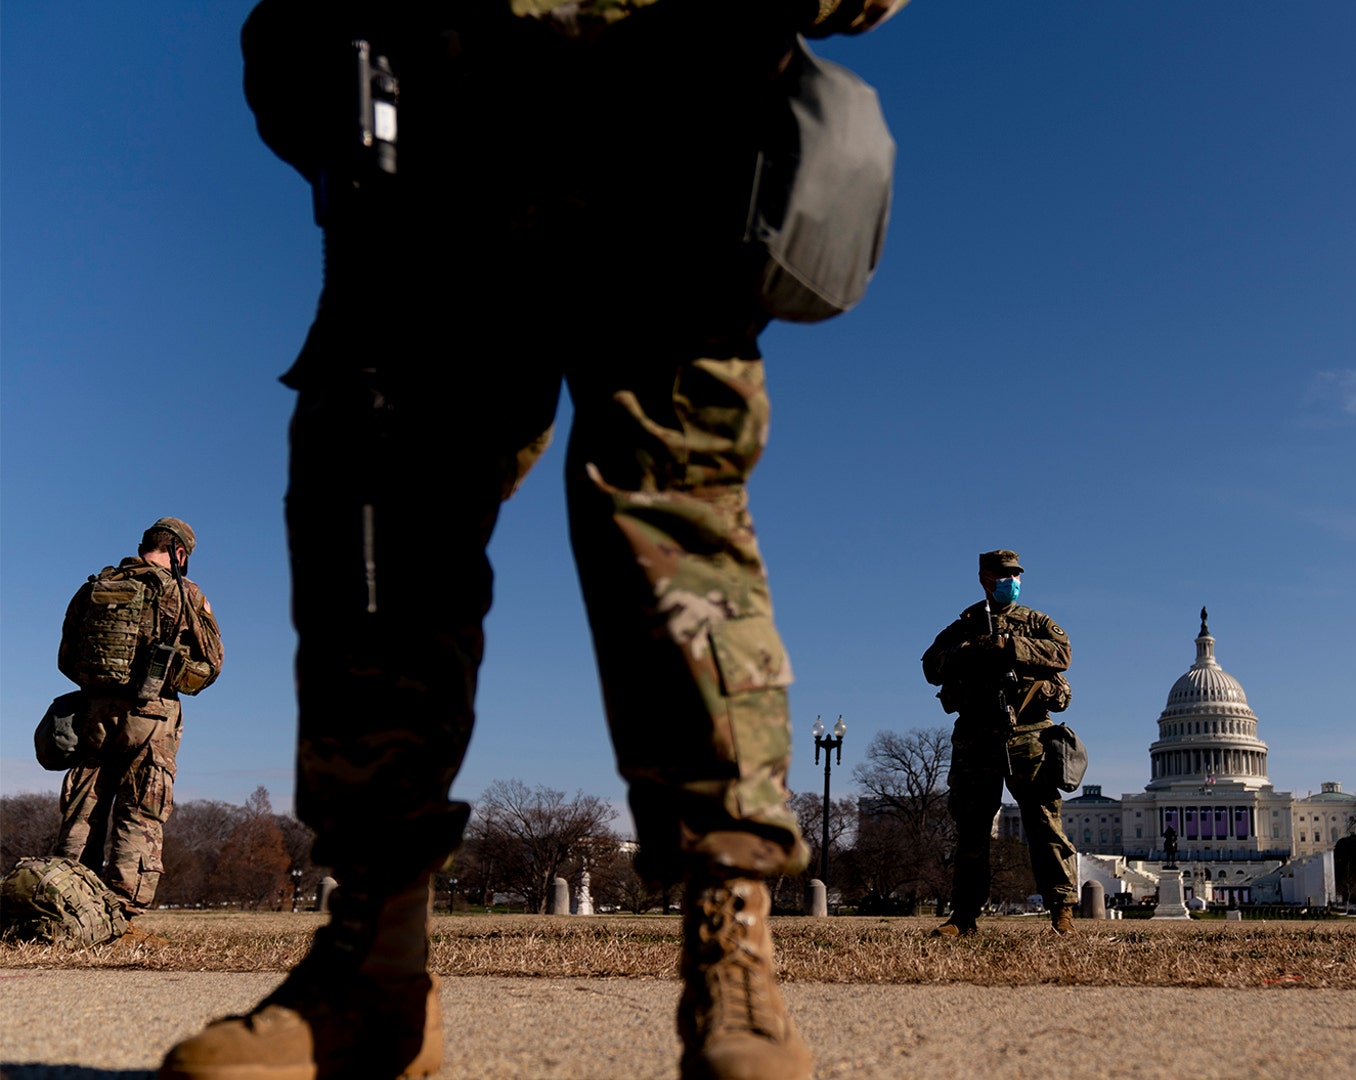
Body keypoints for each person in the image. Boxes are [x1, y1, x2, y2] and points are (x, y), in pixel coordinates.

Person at [161, 3, 908, 1079]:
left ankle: (732, 951)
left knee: (678, 544)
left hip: (674, 159)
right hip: (440, 165)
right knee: (376, 538)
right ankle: (374, 962)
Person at [55, 517, 223, 921]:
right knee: (140, 812)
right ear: (179, 553)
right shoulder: (183, 593)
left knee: (83, 809)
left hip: (93, 715)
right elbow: (213, 663)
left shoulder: (95, 588)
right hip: (151, 718)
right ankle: (122, 914)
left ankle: (65, 904)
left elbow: (66, 659)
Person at [921, 549, 1076, 936]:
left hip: (1029, 736)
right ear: (985, 579)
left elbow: (1063, 654)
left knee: (1044, 825)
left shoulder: (1037, 622)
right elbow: (929, 666)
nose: (1012, 582)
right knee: (972, 830)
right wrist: (971, 652)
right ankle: (963, 916)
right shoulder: (966, 625)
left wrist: (1012, 647)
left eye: (1016, 575)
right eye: (1004, 575)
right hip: (976, 739)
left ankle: (1062, 910)